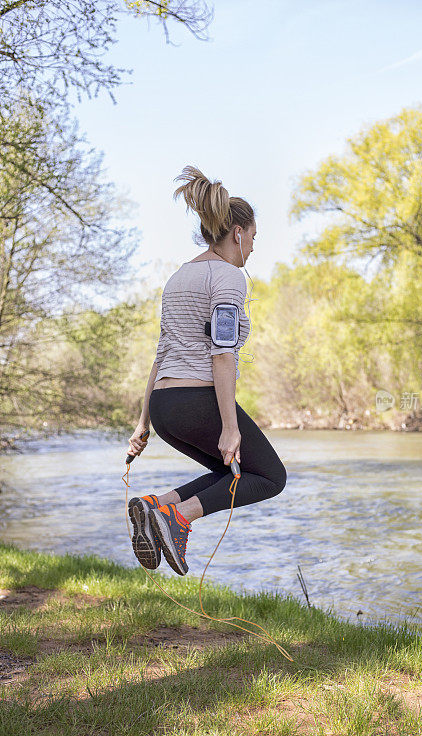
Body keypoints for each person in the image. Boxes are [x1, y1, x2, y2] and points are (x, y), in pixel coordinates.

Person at [125, 166, 287, 577]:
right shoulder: (229, 277)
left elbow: (160, 354)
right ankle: (178, 519)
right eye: (253, 238)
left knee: (229, 474)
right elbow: (222, 354)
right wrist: (230, 425)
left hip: (164, 407)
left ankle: (157, 505)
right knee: (269, 476)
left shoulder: (179, 277)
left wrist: (143, 424)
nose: (252, 248)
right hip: (199, 402)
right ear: (237, 232)